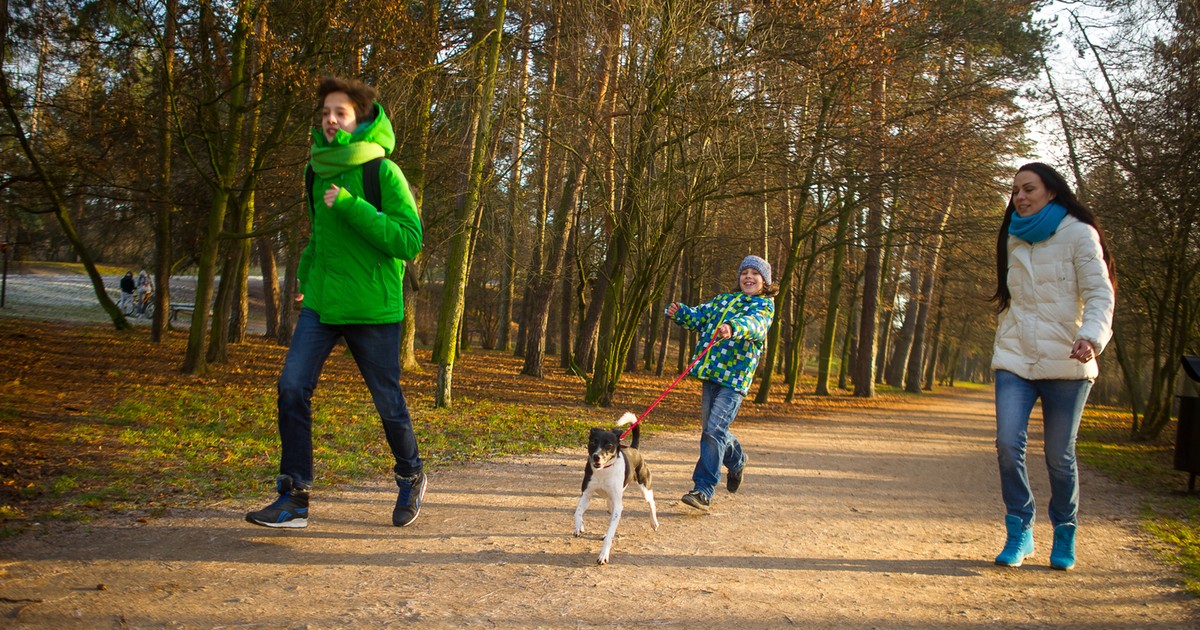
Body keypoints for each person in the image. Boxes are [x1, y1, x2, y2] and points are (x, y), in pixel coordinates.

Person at [245, 76, 424, 529]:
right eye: (325, 112)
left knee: (388, 403)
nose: (330, 119)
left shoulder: (382, 171)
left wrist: (352, 206)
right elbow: (319, 236)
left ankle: (411, 474)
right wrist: (306, 272)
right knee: (291, 388)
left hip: (373, 308)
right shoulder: (315, 170)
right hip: (322, 303)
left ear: (360, 119)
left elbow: (409, 240)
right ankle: (293, 499)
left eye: (340, 112)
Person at [990, 162, 1115, 571]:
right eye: (1015, 191)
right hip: (1015, 356)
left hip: (1067, 357)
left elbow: (1099, 294)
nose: (1020, 198)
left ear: (1052, 193)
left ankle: (1064, 531)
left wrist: (1091, 337)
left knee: (1059, 456)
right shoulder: (1013, 237)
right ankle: (1020, 530)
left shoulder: (1080, 235)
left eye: (1028, 189)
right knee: (1009, 444)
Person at [664, 255, 777, 510]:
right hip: (711, 375)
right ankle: (737, 461)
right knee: (712, 430)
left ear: (765, 282)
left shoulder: (763, 307)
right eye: (744, 272)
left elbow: (755, 326)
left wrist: (733, 327)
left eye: (755, 274)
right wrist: (681, 312)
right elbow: (700, 316)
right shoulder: (723, 301)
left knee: (714, 430)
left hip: (734, 380)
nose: (748, 277)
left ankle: (703, 489)